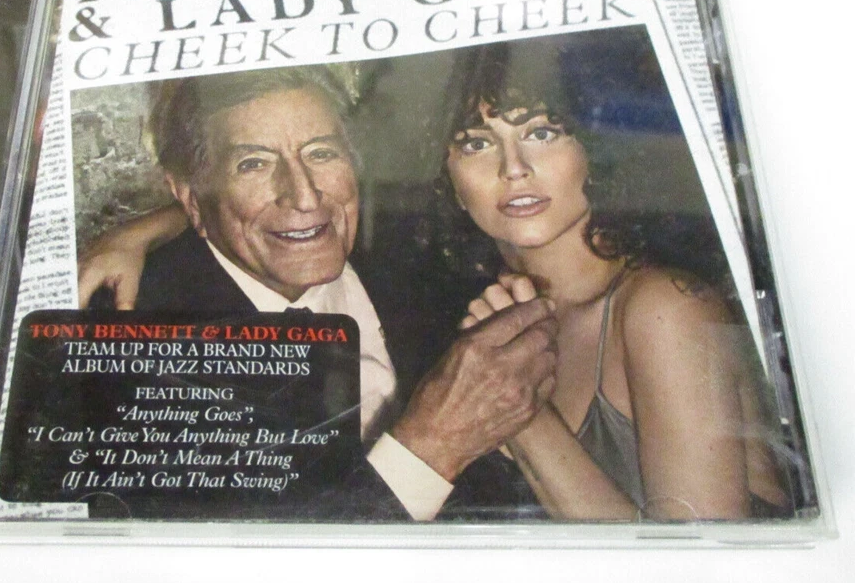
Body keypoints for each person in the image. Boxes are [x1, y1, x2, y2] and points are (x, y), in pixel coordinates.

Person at [79, 65, 557, 521]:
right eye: (253, 164)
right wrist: (433, 446)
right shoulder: (138, 344)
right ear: (188, 197)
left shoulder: (425, 273)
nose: (305, 196)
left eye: (322, 153)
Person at [436, 38, 788, 520]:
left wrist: (521, 410)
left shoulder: (666, 309)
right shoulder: (477, 318)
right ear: (451, 180)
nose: (513, 168)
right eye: (477, 143)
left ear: (596, 150)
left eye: (542, 133)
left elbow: (697, 559)